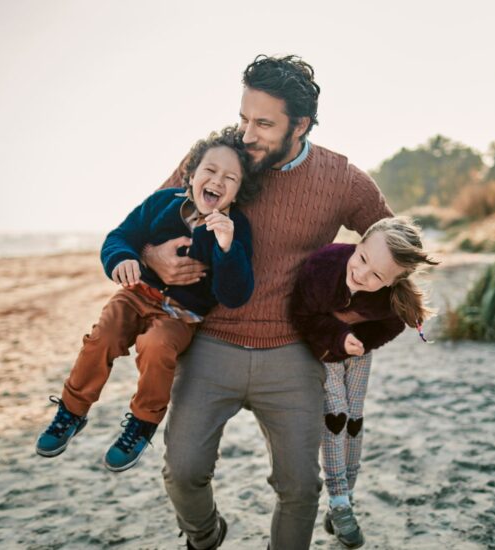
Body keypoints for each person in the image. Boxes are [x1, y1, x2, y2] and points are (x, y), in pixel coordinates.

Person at [145, 55, 394, 549]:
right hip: (210, 343)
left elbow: (394, 243)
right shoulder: (216, 162)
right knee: (183, 471)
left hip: (293, 353)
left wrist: (354, 313)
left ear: (299, 124)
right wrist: (155, 257)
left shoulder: (341, 178)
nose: (248, 133)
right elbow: (147, 222)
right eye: (243, 118)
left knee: (300, 488)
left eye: (263, 123)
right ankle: (203, 534)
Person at [35, 127, 259, 473]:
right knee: (102, 337)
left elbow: (235, 294)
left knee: (155, 347)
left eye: (230, 178)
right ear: (192, 174)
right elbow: (120, 237)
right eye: (210, 171)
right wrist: (125, 258)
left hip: (180, 316)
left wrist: (227, 247)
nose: (218, 180)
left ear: (239, 190)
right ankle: (71, 410)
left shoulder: (234, 228)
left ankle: (142, 423)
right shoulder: (162, 203)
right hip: (136, 295)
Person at [290, 217, 438, 548]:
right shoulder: (323, 267)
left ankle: (347, 495)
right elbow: (302, 315)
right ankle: (339, 503)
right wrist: (337, 337)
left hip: (358, 351)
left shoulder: (389, 299)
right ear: (359, 243)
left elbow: (391, 325)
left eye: (377, 277)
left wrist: (359, 340)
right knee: (336, 414)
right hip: (325, 349)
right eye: (362, 260)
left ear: (393, 281)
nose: (361, 275)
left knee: (354, 418)